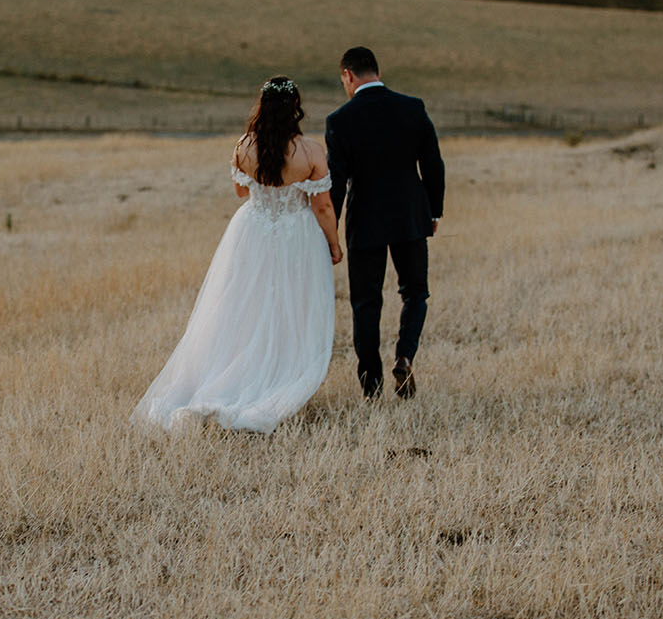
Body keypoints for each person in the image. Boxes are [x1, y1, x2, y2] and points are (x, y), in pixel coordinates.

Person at [132, 76, 343, 434]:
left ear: (262, 107)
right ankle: (279, 375)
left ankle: (238, 372)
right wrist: (334, 243)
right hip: (296, 237)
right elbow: (322, 206)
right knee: (292, 307)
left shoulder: (244, 146)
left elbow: (241, 192)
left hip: (253, 233)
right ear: (295, 108)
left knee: (243, 308)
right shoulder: (309, 150)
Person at [325, 46, 445, 400]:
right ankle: (405, 355)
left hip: (365, 221)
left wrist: (330, 233)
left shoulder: (340, 120)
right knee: (415, 292)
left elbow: (336, 184)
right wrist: (433, 212)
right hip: (409, 215)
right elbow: (434, 165)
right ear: (376, 71)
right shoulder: (412, 107)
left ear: (348, 75)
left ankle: (371, 383)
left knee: (365, 302)